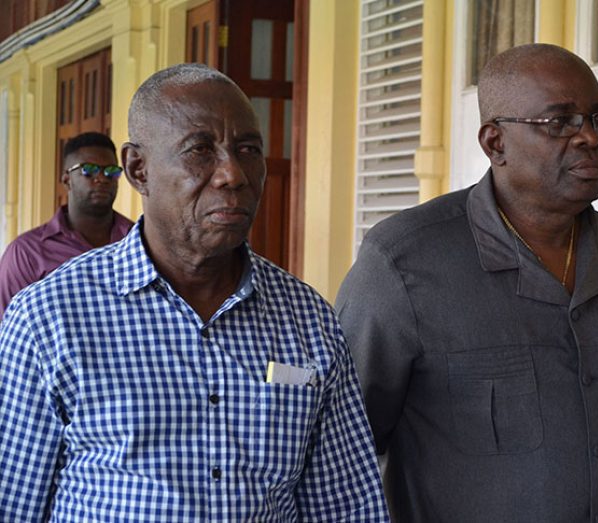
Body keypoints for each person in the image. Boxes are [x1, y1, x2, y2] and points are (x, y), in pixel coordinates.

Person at [336, 44, 598, 522]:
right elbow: (340, 453)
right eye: (560, 122)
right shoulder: (402, 264)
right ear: (494, 142)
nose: (590, 138)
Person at [0, 63, 388, 521]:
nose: (233, 174)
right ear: (138, 169)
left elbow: (344, 506)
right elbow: (13, 503)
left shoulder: (309, 320)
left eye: (248, 150)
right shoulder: (48, 317)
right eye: (201, 150)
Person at [0, 132, 133, 318]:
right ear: (66, 180)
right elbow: (7, 327)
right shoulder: (27, 252)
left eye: (111, 171)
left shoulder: (137, 240)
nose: (102, 178)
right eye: (89, 169)